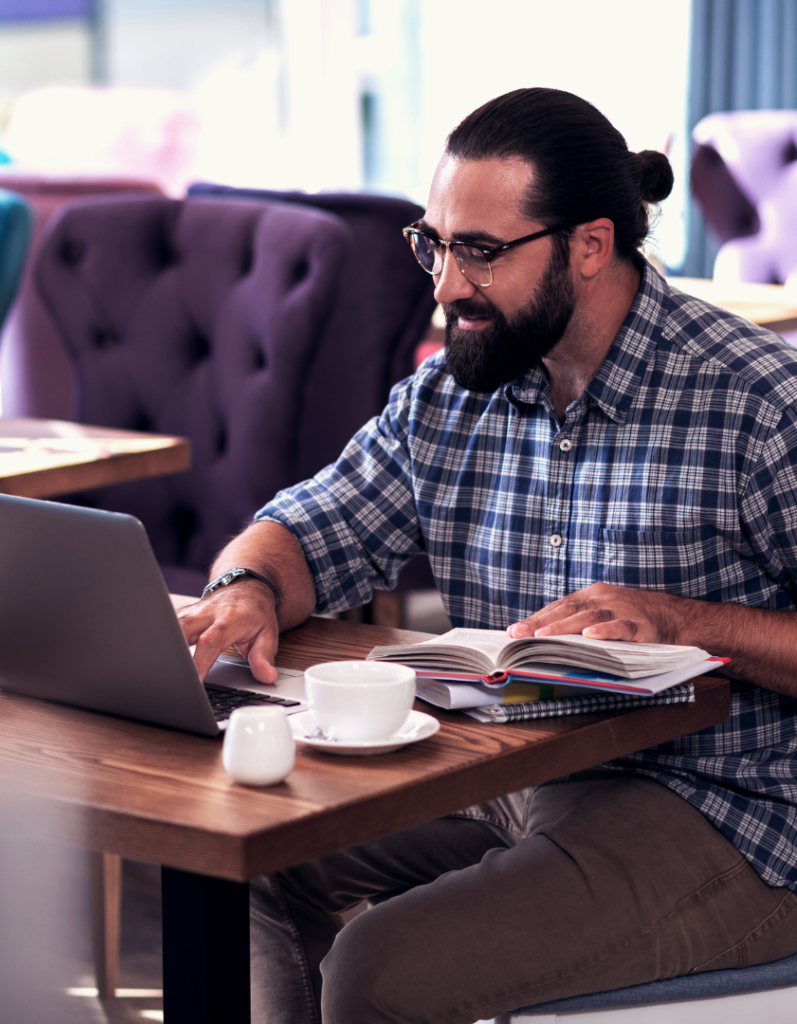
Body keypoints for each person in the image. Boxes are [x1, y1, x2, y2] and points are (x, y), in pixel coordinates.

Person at [178, 88, 797, 1023]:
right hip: (513, 780)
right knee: (243, 862)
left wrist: (686, 622)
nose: (445, 286)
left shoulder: (754, 403)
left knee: (379, 973)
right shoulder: (456, 390)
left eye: (481, 252)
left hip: (730, 814)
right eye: (435, 244)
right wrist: (247, 586)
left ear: (589, 247)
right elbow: (311, 524)